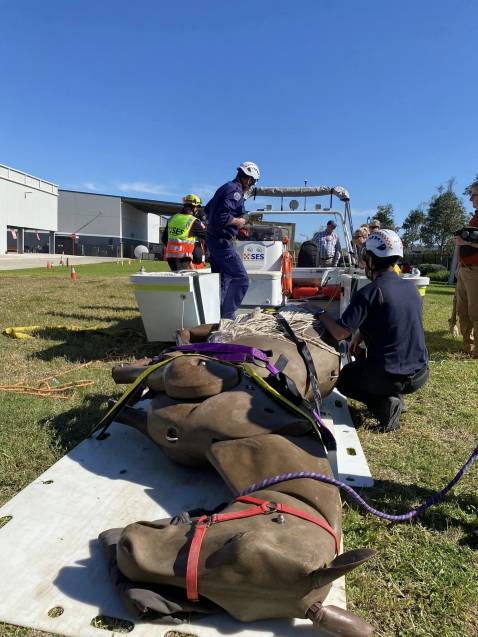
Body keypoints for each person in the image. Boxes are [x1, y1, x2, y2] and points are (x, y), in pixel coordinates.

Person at [313, 229, 429, 432]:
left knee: (345, 379)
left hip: (389, 375)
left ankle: (384, 404)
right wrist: (359, 335)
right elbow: (392, 320)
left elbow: (340, 333)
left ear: (371, 260)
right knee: (366, 360)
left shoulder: (369, 292)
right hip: (420, 374)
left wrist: (320, 312)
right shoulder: (411, 289)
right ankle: (394, 394)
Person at [204, 161, 260, 319]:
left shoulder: (225, 187)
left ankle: (216, 316)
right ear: (248, 179)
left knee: (223, 279)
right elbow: (222, 216)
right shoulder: (235, 191)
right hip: (221, 242)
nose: (251, 186)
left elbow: (208, 211)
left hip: (213, 240)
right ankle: (228, 318)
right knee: (241, 278)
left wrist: (234, 228)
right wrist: (238, 222)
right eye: (253, 182)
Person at [454, 180, 478, 357]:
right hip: (465, 269)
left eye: (473, 194)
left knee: (475, 311)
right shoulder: (475, 217)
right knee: (463, 310)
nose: (470, 198)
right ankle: (467, 346)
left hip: (475, 270)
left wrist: (465, 241)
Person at [163, 194, 206, 271]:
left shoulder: (172, 218)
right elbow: (209, 235)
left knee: (179, 281)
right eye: (197, 207)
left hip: (171, 258)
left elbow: (164, 239)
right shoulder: (193, 221)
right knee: (189, 281)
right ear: (194, 207)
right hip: (184, 259)